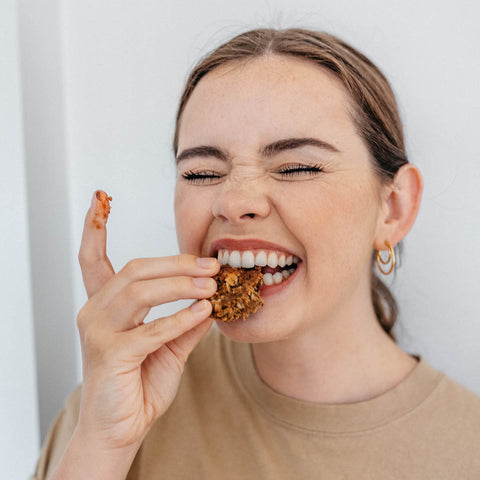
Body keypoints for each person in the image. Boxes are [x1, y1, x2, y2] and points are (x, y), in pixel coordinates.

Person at [32, 28, 480, 479]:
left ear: (394, 208)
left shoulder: (467, 447)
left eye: (297, 166)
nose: (233, 201)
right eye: (202, 172)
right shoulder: (117, 400)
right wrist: (103, 443)